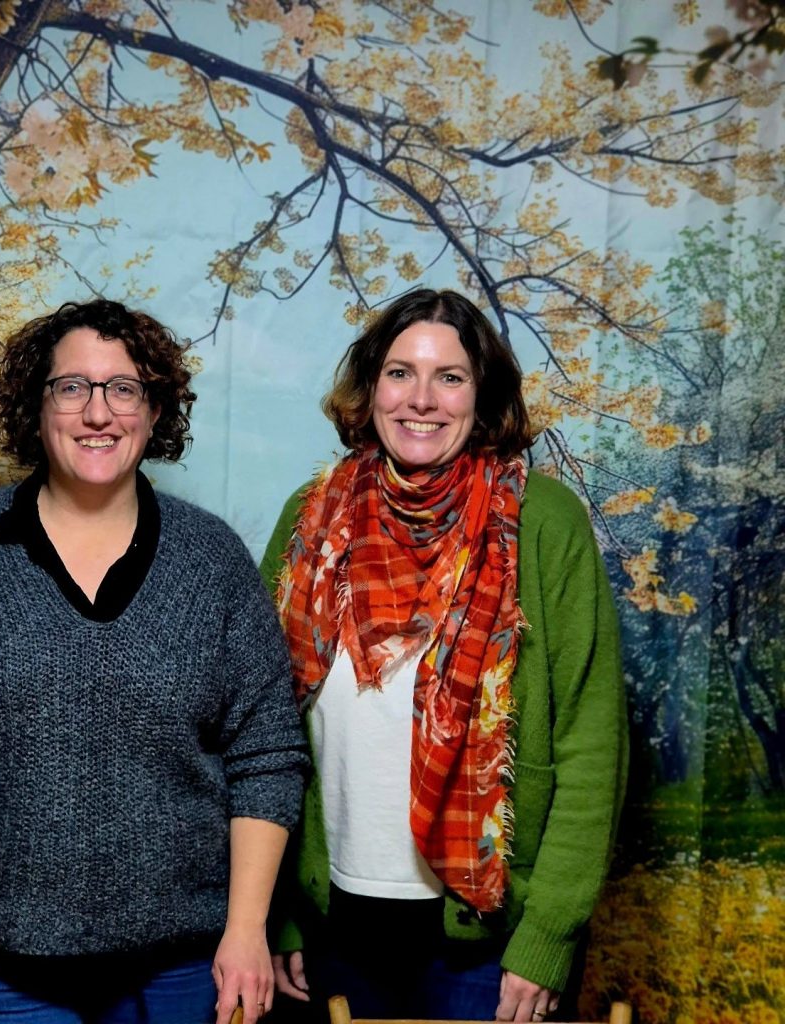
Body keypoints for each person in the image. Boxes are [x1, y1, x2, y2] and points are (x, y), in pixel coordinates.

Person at [0, 298, 308, 1024]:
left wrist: (248, 929)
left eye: (123, 388)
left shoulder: (213, 560)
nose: (98, 412)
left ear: (154, 411)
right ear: (36, 407)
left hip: (185, 969)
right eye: (72, 387)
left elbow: (266, 752)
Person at [259, 288, 627, 1022]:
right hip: (333, 920)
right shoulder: (311, 514)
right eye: (400, 373)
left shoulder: (544, 522)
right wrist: (280, 916)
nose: (421, 400)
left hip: (491, 939)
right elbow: (262, 728)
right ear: (371, 387)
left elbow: (592, 744)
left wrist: (548, 935)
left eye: (449, 377)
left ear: (481, 395)